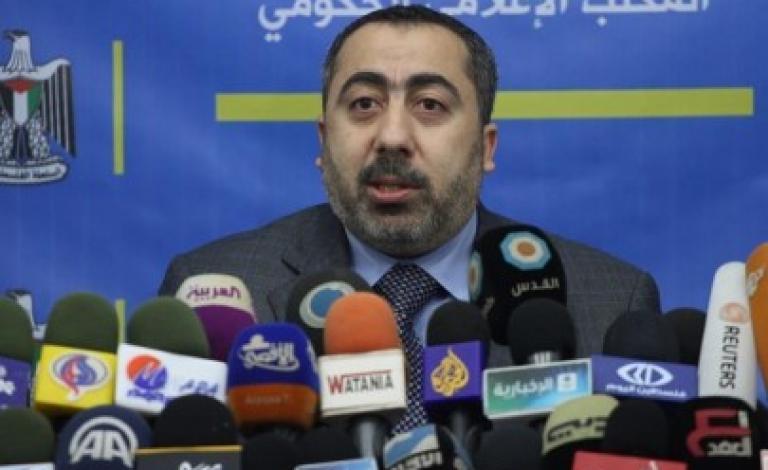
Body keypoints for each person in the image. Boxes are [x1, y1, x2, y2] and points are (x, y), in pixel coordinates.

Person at [159, 5, 659, 429]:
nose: (392, 136)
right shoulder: (216, 293)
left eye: (429, 105)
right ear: (323, 143)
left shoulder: (612, 303)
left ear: (485, 147)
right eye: (364, 104)